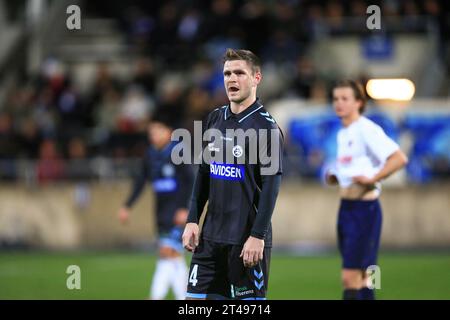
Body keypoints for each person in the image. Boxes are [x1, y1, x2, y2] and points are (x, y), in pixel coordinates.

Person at [182, 48, 284, 300]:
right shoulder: (215, 118)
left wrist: (257, 236)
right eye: (227, 73)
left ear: (256, 78)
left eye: (239, 73)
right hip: (210, 240)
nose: (231, 79)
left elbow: (271, 187)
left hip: (245, 242)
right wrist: (193, 219)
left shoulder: (266, 127)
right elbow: (204, 174)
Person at [325, 80, 408, 300]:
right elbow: (352, 169)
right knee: (364, 277)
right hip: (346, 208)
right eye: (335, 99)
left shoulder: (366, 129)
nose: (338, 103)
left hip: (365, 210)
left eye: (345, 99)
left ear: (359, 102)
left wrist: (374, 178)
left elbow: (399, 158)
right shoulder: (344, 133)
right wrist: (336, 177)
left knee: (350, 277)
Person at [118, 112, 193, 300]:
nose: (154, 135)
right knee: (170, 256)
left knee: (168, 252)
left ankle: (157, 297)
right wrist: (127, 205)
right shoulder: (150, 154)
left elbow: (191, 181)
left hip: (177, 212)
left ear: (170, 132)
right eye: (151, 131)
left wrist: (185, 208)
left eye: (158, 130)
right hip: (160, 213)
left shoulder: (179, 152)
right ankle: (187, 299)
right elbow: (141, 181)